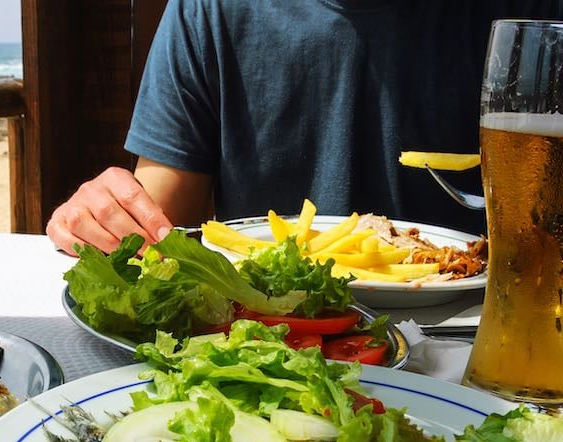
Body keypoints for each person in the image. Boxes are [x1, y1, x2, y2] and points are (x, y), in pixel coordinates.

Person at [47, 0, 563, 256]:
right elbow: (158, 223)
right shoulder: (210, 9)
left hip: (472, 352)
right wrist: (105, 214)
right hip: (270, 348)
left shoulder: (535, 19)